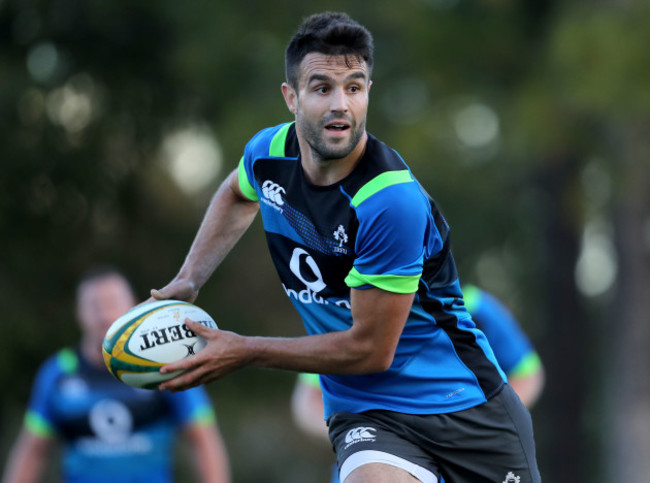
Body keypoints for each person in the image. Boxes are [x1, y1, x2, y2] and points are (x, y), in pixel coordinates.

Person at [151, 12, 541, 483]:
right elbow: (238, 192)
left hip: (467, 408)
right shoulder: (269, 153)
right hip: (367, 412)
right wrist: (190, 279)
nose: (341, 105)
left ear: (368, 93)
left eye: (354, 88)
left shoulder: (389, 201)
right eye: (321, 88)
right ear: (290, 97)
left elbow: (370, 350)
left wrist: (245, 350)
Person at [291, 284, 545, 482]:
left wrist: (474, 420)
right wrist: (370, 434)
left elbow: (528, 373)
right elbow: (308, 401)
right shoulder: (343, 314)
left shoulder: (476, 307)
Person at [2, 267, 231, 483]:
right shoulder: (58, 373)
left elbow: (203, 439)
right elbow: (33, 451)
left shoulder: (165, 365)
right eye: (93, 305)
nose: (103, 313)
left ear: (132, 306)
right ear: (79, 312)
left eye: (112, 302)